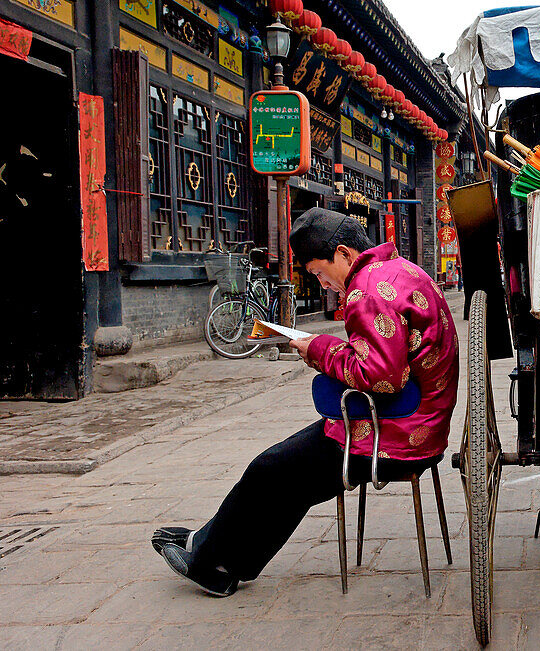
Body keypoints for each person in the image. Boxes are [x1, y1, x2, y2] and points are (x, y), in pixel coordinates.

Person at [151, 208, 459, 597]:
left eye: (319, 272)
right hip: (418, 423)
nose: (324, 284)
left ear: (345, 254)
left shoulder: (365, 291)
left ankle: (212, 563)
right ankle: (210, 545)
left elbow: (382, 375)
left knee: (271, 468)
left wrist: (317, 348)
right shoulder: (400, 269)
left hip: (393, 433)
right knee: (287, 468)